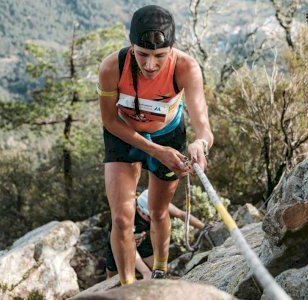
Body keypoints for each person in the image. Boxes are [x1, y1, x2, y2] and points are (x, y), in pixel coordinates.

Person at [98, 5, 213, 285]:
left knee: (159, 211)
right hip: (123, 135)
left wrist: (200, 144)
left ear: (172, 50)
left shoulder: (186, 67)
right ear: (131, 46)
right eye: (142, 55)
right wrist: (154, 151)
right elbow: (110, 121)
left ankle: (160, 272)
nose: (150, 65)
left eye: (160, 56)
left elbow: (203, 127)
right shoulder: (112, 67)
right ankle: (127, 287)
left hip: (168, 136)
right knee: (122, 219)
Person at [105, 189, 208, 279]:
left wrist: (204, 227)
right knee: (113, 277)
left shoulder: (157, 204)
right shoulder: (126, 216)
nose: (152, 220)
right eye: (150, 217)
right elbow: (129, 247)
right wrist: (145, 272)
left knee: (159, 271)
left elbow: (182, 214)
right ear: (140, 210)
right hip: (119, 243)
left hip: (142, 238)